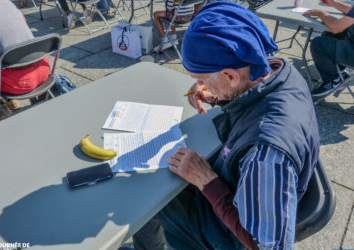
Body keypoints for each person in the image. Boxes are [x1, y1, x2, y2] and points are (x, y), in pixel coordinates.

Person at [133, 2, 320, 250]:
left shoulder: (265, 157)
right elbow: (251, 96)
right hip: (245, 185)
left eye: (200, 78)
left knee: (147, 195)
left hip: (227, 234)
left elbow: (268, 245)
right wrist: (218, 94)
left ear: (230, 76)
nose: (199, 84)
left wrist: (207, 181)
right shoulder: (279, 70)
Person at [0, 0, 50, 118]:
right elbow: (23, 20)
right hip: (43, 71)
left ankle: (2, 107)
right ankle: (9, 103)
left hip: (18, 84)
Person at [303, 0, 354, 97]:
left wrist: (321, 14)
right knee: (329, 33)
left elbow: (336, 27)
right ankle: (340, 72)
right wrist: (333, 3)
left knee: (319, 44)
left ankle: (333, 79)